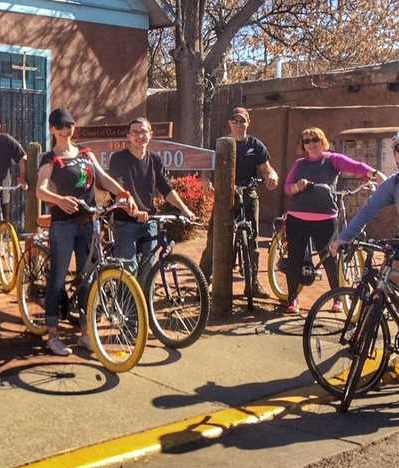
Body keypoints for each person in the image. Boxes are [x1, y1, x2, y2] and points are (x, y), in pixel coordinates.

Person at [35, 108, 136, 357]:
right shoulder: (50, 159)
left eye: (69, 125)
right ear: (52, 130)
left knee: (88, 278)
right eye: (60, 126)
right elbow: (40, 190)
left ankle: (84, 333)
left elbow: (103, 178)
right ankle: (53, 334)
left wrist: (123, 193)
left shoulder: (84, 153)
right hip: (63, 225)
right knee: (58, 277)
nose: (66, 130)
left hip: (89, 222)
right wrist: (59, 200)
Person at [282, 127, 383, 314]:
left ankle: (337, 298)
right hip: (297, 217)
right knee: (295, 258)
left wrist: (375, 175)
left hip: (325, 219)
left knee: (330, 258)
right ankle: (292, 299)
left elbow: (355, 166)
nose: (311, 144)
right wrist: (297, 186)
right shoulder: (299, 164)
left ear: (323, 141)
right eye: (307, 141)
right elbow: (287, 187)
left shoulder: (332, 160)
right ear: (303, 145)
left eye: (315, 139)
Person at [107, 117, 196, 288]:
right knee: (128, 268)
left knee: (149, 269)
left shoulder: (155, 160)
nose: (139, 136)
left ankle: (146, 311)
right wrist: (133, 211)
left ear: (150, 135)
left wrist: (184, 209)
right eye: (135, 132)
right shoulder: (118, 159)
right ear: (128, 136)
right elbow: (116, 189)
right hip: (125, 222)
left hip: (149, 221)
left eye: (143, 132)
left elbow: (166, 188)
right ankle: (128, 312)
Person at [200, 107, 279, 298]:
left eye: (242, 121)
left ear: (248, 122)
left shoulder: (255, 145)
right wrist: (206, 181)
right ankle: (202, 282)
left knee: (252, 239)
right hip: (225, 194)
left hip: (248, 191)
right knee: (214, 238)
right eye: (235, 121)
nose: (238, 124)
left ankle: (252, 284)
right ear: (229, 123)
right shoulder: (219, 143)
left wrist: (272, 177)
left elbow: (267, 169)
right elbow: (207, 169)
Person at [330, 132, 399, 288]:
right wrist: (343, 238)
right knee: (385, 283)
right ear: (395, 155)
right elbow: (368, 211)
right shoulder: (394, 183)